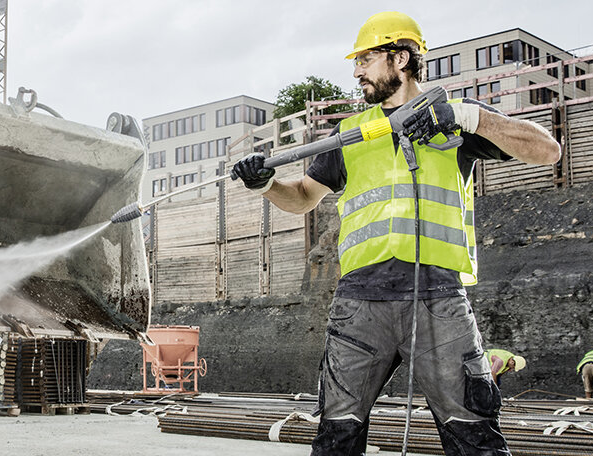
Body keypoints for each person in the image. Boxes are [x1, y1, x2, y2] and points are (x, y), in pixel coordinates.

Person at [229, 11, 560, 456]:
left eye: (366, 59)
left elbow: (547, 150)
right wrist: (266, 184)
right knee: (336, 436)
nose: (356, 70)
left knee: (474, 435)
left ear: (400, 58)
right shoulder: (349, 133)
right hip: (359, 303)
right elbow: (304, 196)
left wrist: (467, 116)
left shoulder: (456, 119)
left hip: (437, 298)